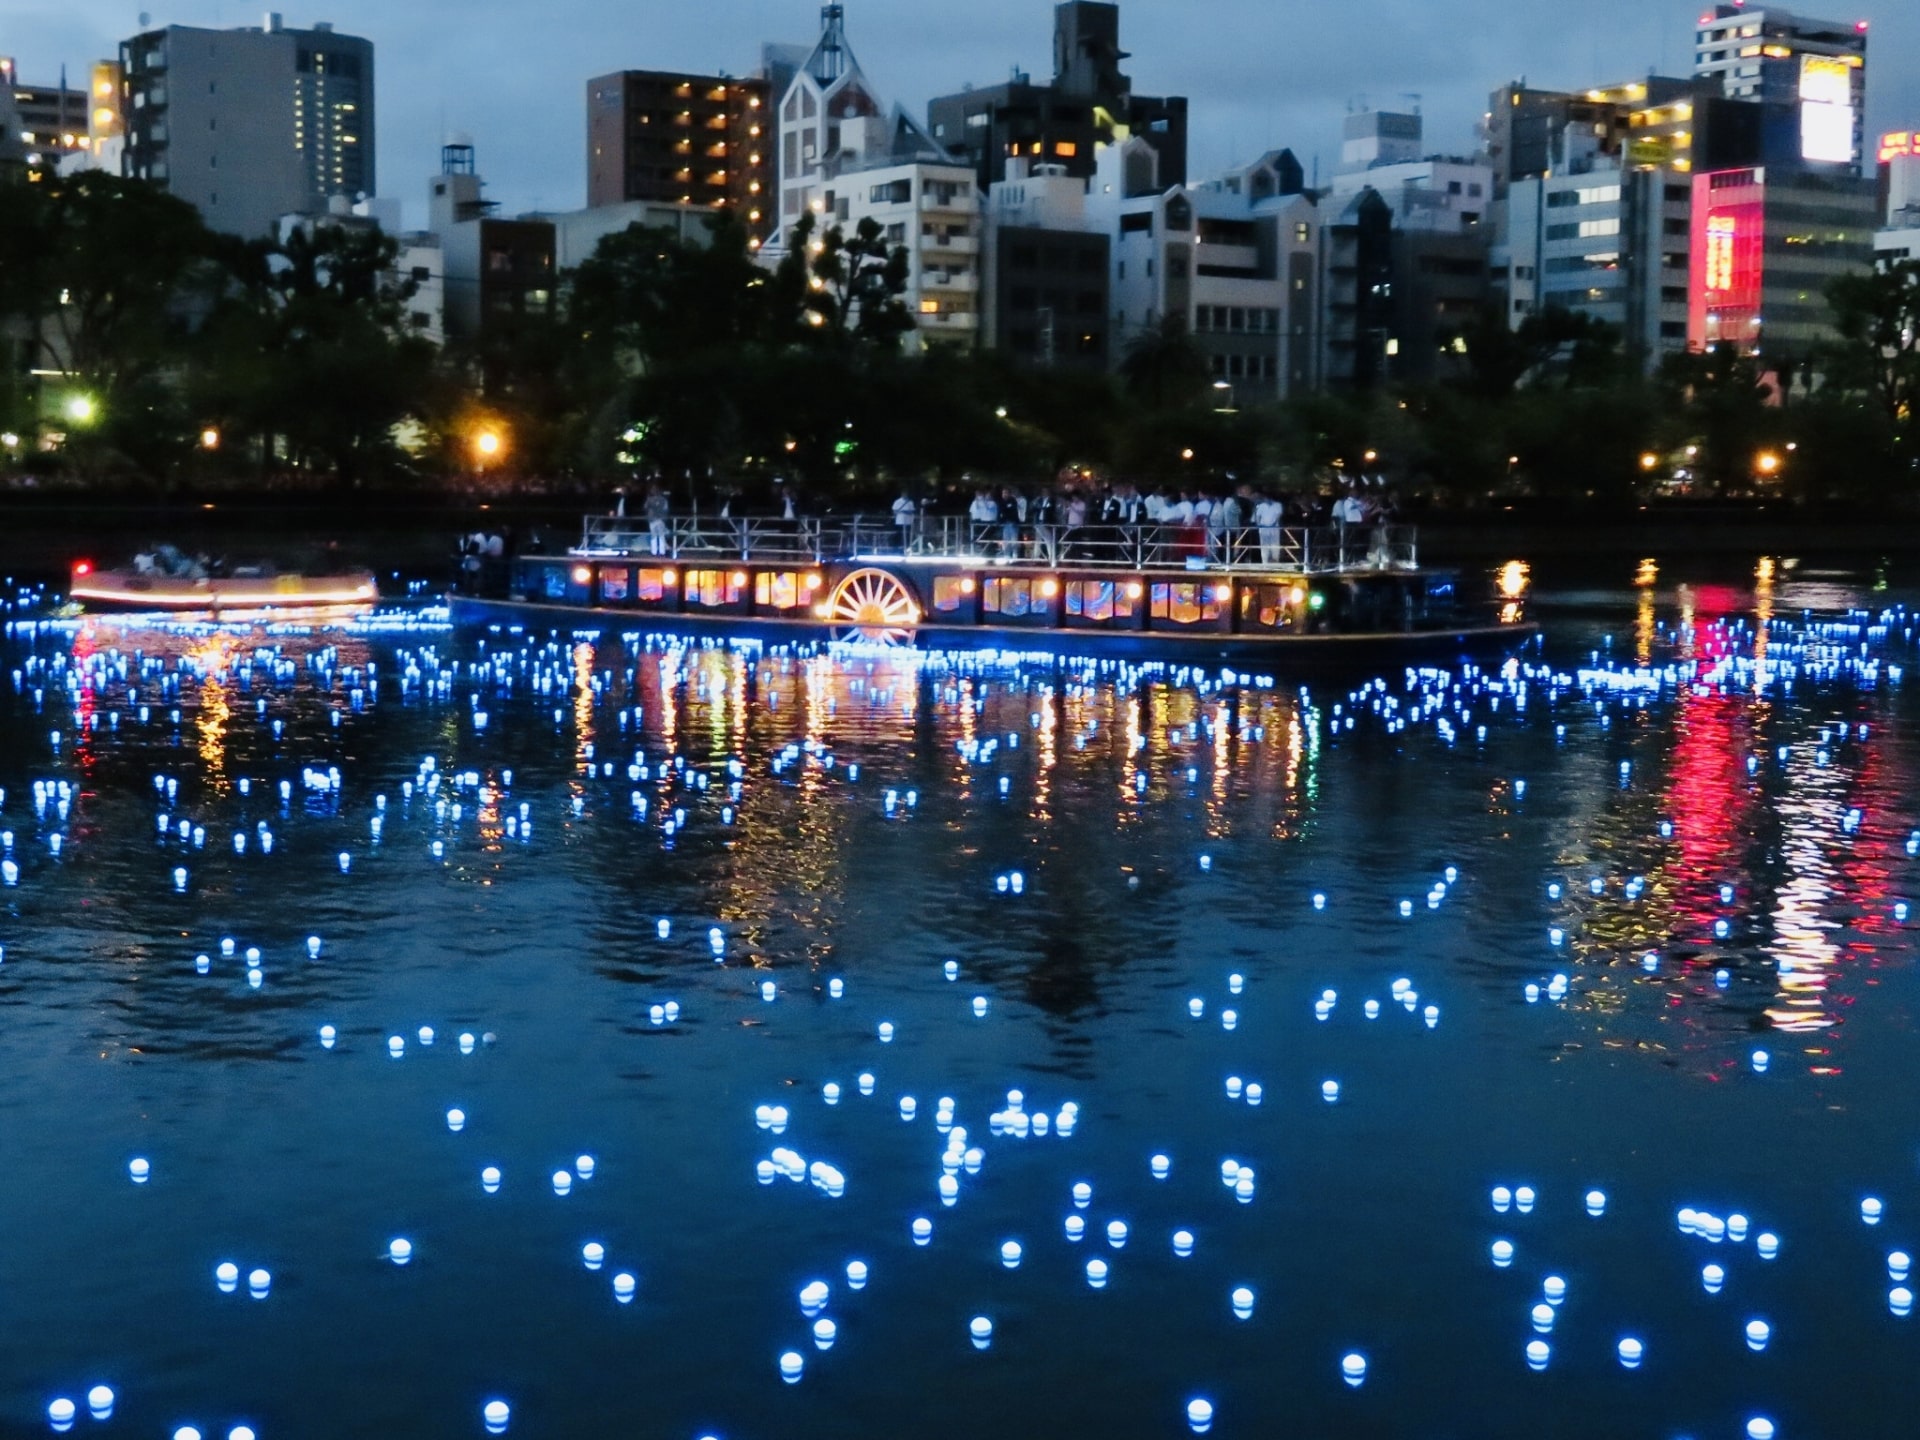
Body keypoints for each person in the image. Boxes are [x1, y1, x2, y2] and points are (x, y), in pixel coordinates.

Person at [1252, 492, 1285, 566]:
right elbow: (1257, 516)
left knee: (1275, 545)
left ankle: (1275, 561)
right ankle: (1265, 563)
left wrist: (1273, 523)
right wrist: (1259, 525)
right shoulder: (1262, 506)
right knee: (1264, 546)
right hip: (1263, 529)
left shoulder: (1277, 505)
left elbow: (1278, 516)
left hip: (1274, 529)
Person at [644, 485, 670, 557]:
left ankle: (655, 552)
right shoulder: (663, 500)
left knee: (655, 536)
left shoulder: (650, 499)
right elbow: (666, 509)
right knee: (659, 536)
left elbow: (645, 507)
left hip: (654, 519)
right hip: (658, 519)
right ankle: (660, 552)